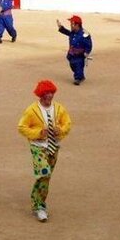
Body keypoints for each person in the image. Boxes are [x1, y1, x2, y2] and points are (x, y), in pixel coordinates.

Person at [17, 80, 72, 222]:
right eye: (47, 93)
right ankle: (40, 206)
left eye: (51, 93)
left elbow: (67, 123)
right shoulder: (31, 110)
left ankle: (37, 200)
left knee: (45, 177)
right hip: (38, 146)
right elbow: (22, 127)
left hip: (54, 146)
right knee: (44, 172)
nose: (50, 95)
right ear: (40, 95)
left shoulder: (59, 109)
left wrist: (60, 130)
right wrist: (39, 133)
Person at [56, 15, 92, 84]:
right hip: (72, 54)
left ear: (77, 25)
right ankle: (80, 76)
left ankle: (78, 78)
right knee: (73, 66)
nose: (71, 25)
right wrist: (61, 27)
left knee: (78, 65)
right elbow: (67, 32)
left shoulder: (85, 34)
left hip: (80, 54)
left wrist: (87, 52)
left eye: (72, 24)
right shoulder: (73, 32)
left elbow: (89, 44)